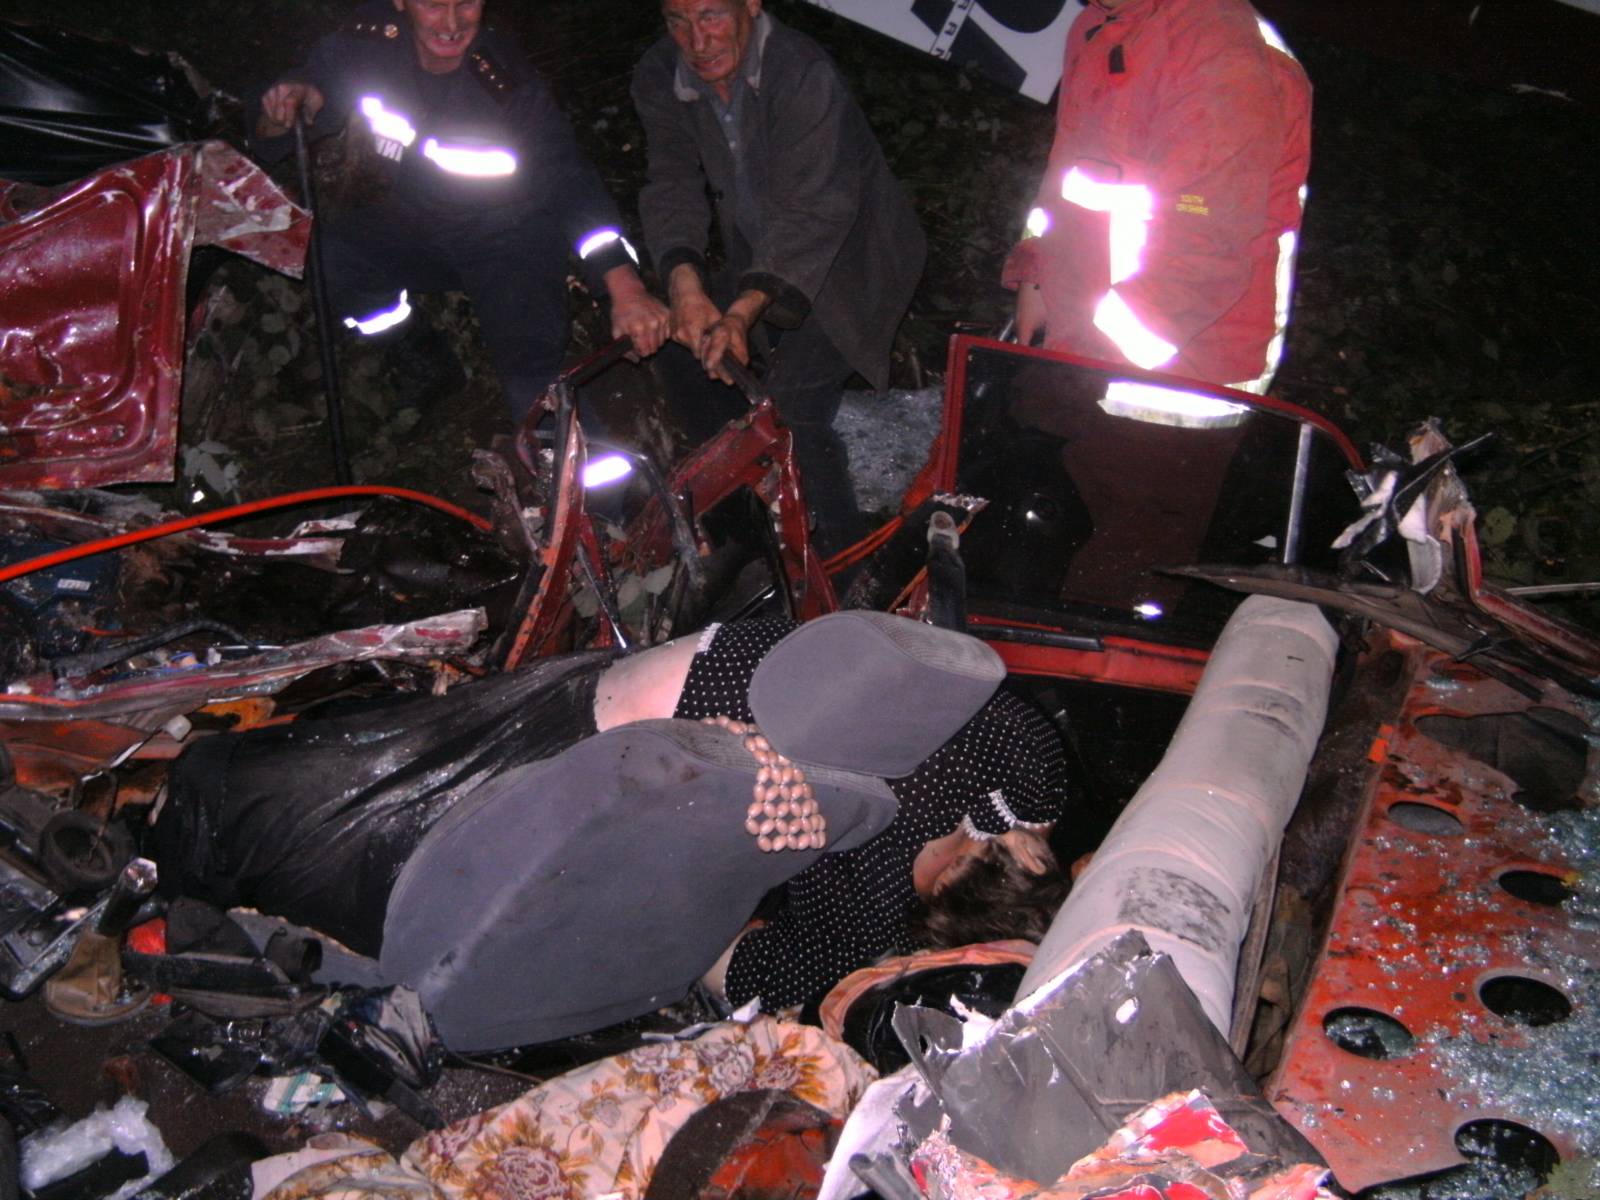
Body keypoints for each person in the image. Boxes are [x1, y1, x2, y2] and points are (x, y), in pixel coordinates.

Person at [151, 612, 1070, 1049]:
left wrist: (710, 889)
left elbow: (753, 970)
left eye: (928, 882)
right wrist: (1002, 819)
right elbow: (1018, 733)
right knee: (375, 784)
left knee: (362, 824)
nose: (923, 860)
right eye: (954, 856)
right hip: (654, 706)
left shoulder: (875, 916)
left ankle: (199, 840)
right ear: (1023, 846)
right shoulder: (1008, 771)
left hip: (660, 768)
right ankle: (200, 815)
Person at [248, 0, 670, 426]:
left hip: (510, 238)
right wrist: (288, 105)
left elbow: (566, 177)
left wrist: (622, 284)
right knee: (326, 253)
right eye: (434, 4)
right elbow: (302, 99)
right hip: (418, 221)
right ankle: (420, 354)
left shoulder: (505, 81)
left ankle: (588, 466)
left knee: (531, 382)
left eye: (465, 2)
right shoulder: (371, 48)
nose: (451, 22)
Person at [631, 0, 927, 554]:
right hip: (760, 247)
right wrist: (684, 285)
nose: (697, 41)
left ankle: (843, 567)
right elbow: (670, 181)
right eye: (677, 21)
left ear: (750, 4)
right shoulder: (660, 72)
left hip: (853, 255)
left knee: (791, 409)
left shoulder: (800, 70)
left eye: (711, 16)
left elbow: (815, 209)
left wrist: (741, 313)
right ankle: (742, 534)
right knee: (683, 352)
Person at [1004, 0, 1312, 394]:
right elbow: (1068, 179)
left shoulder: (1221, 47)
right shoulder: (1097, 23)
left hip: (1174, 376)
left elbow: (1203, 250)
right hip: (1080, 351)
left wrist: (1089, 367)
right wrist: (1037, 276)